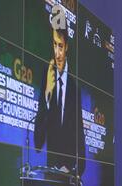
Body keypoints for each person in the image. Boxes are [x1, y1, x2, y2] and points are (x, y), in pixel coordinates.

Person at [34, 25, 85, 176]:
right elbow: (37, 142)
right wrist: (47, 96)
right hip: (50, 174)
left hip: (70, 176)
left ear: (67, 46)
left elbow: (79, 134)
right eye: (54, 45)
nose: (57, 53)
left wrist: (78, 172)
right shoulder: (47, 78)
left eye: (61, 46)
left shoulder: (75, 88)